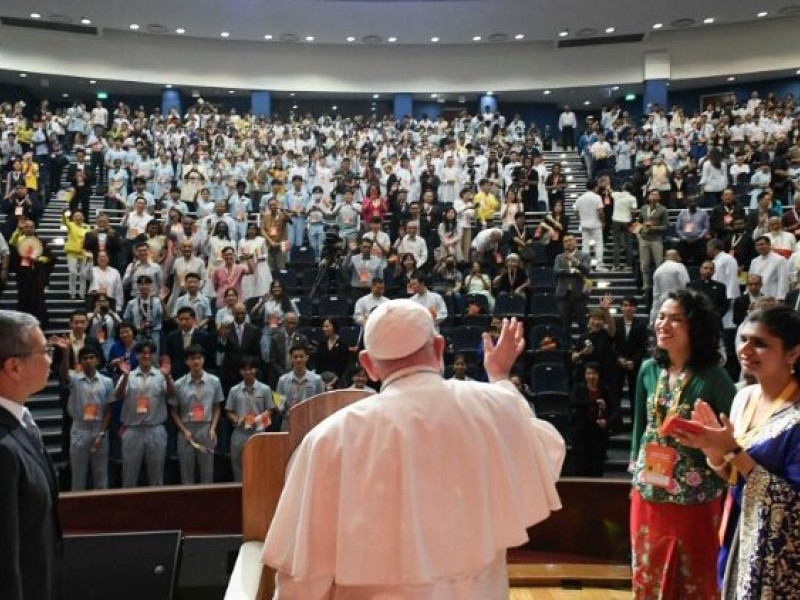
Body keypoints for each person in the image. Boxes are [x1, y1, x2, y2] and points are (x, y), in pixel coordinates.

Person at [262, 301, 565, 597]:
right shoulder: (494, 406)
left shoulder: (328, 440)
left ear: (368, 365)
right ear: (438, 348)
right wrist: (499, 376)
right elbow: (546, 450)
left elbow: (304, 575)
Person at [671, 306, 800, 597]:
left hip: (783, 549)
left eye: (760, 343)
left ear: (792, 354)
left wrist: (732, 450)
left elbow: (793, 499)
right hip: (740, 527)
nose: (746, 349)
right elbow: (733, 474)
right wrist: (713, 449)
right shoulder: (743, 396)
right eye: (743, 339)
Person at [629, 289, 736, 599]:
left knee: (694, 575)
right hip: (648, 490)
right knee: (647, 571)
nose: (664, 324)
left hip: (696, 497)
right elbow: (641, 423)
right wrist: (635, 470)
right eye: (661, 317)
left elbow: (735, 433)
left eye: (676, 319)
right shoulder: (649, 369)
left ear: (696, 328)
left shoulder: (714, 377)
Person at [0, 311, 62, 600]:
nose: (51, 358)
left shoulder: (21, 420)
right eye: (45, 350)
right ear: (14, 366)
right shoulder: (3, 448)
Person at [55, 342, 115, 490]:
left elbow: (108, 411)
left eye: (91, 357)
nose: (88, 361)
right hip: (79, 430)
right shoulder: (74, 378)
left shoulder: (107, 382)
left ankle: (102, 510)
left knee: (101, 475)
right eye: (85, 358)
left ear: (97, 360)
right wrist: (65, 352)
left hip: (98, 430)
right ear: (80, 361)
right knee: (78, 476)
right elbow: (63, 374)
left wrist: (101, 434)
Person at [116, 340, 174, 487]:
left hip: (156, 429)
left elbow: (172, 395)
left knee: (156, 477)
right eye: (143, 353)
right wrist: (124, 376)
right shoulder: (128, 375)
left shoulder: (162, 375)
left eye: (149, 353)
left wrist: (168, 376)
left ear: (154, 355)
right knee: (129, 476)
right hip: (133, 430)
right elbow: (118, 395)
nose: (146, 356)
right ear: (136, 355)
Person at [169, 345, 224, 485]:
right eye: (192, 359)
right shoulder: (179, 384)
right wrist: (183, 430)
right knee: (186, 473)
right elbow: (174, 412)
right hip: (186, 430)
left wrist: (213, 428)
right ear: (187, 362)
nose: (196, 362)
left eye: (199, 358)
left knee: (207, 472)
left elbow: (217, 407)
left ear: (203, 360)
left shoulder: (214, 381)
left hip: (206, 429)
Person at [225, 356, 276, 482]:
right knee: (238, 469)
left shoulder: (265, 389)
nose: (248, 372)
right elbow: (228, 412)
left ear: (256, 370)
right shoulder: (234, 390)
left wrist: (259, 419)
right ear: (240, 372)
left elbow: (271, 410)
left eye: (250, 369)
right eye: (244, 369)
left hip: (258, 432)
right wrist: (237, 419)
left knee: (259, 468)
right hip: (239, 433)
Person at [570, 361, 615, 477]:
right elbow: (574, 403)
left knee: (597, 466)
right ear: (585, 375)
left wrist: (607, 421)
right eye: (588, 373)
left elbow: (615, 412)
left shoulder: (605, 390)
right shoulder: (579, 388)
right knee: (581, 465)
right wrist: (594, 402)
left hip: (599, 432)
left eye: (594, 373)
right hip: (582, 431)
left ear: (599, 375)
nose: (591, 376)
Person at [275, 344, 324, 432]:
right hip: (289, 424)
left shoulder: (317, 379)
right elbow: (278, 404)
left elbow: (321, 403)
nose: (298, 360)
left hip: (310, 424)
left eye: (301, 356)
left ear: (307, 357)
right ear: (291, 358)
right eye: (295, 357)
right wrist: (287, 414)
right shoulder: (282, 380)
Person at [554, 233, 591, 334]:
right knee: (565, 325)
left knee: (583, 324)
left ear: (576, 242)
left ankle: (584, 346)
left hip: (580, 295)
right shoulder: (559, 257)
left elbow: (586, 270)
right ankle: (567, 349)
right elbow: (556, 271)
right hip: (563, 296)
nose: (568, 243)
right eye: (565, 241)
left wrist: (575, 261)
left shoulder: (584, 256)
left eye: (570, 240)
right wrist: (572, 271)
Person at [637, 190, 669, 293]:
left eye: (656, 195)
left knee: (659, 263)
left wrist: (654, 228)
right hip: (644, 239)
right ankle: (645, 285)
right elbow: (639, 222)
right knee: (644, 264)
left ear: (659, 197)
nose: (653, 196)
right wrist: (638, 233)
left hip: (656, 239)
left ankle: (660, 284)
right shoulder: (643, 208)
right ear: (648, 197)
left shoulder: (663, 210)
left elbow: (666, 226)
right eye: (651, 194)